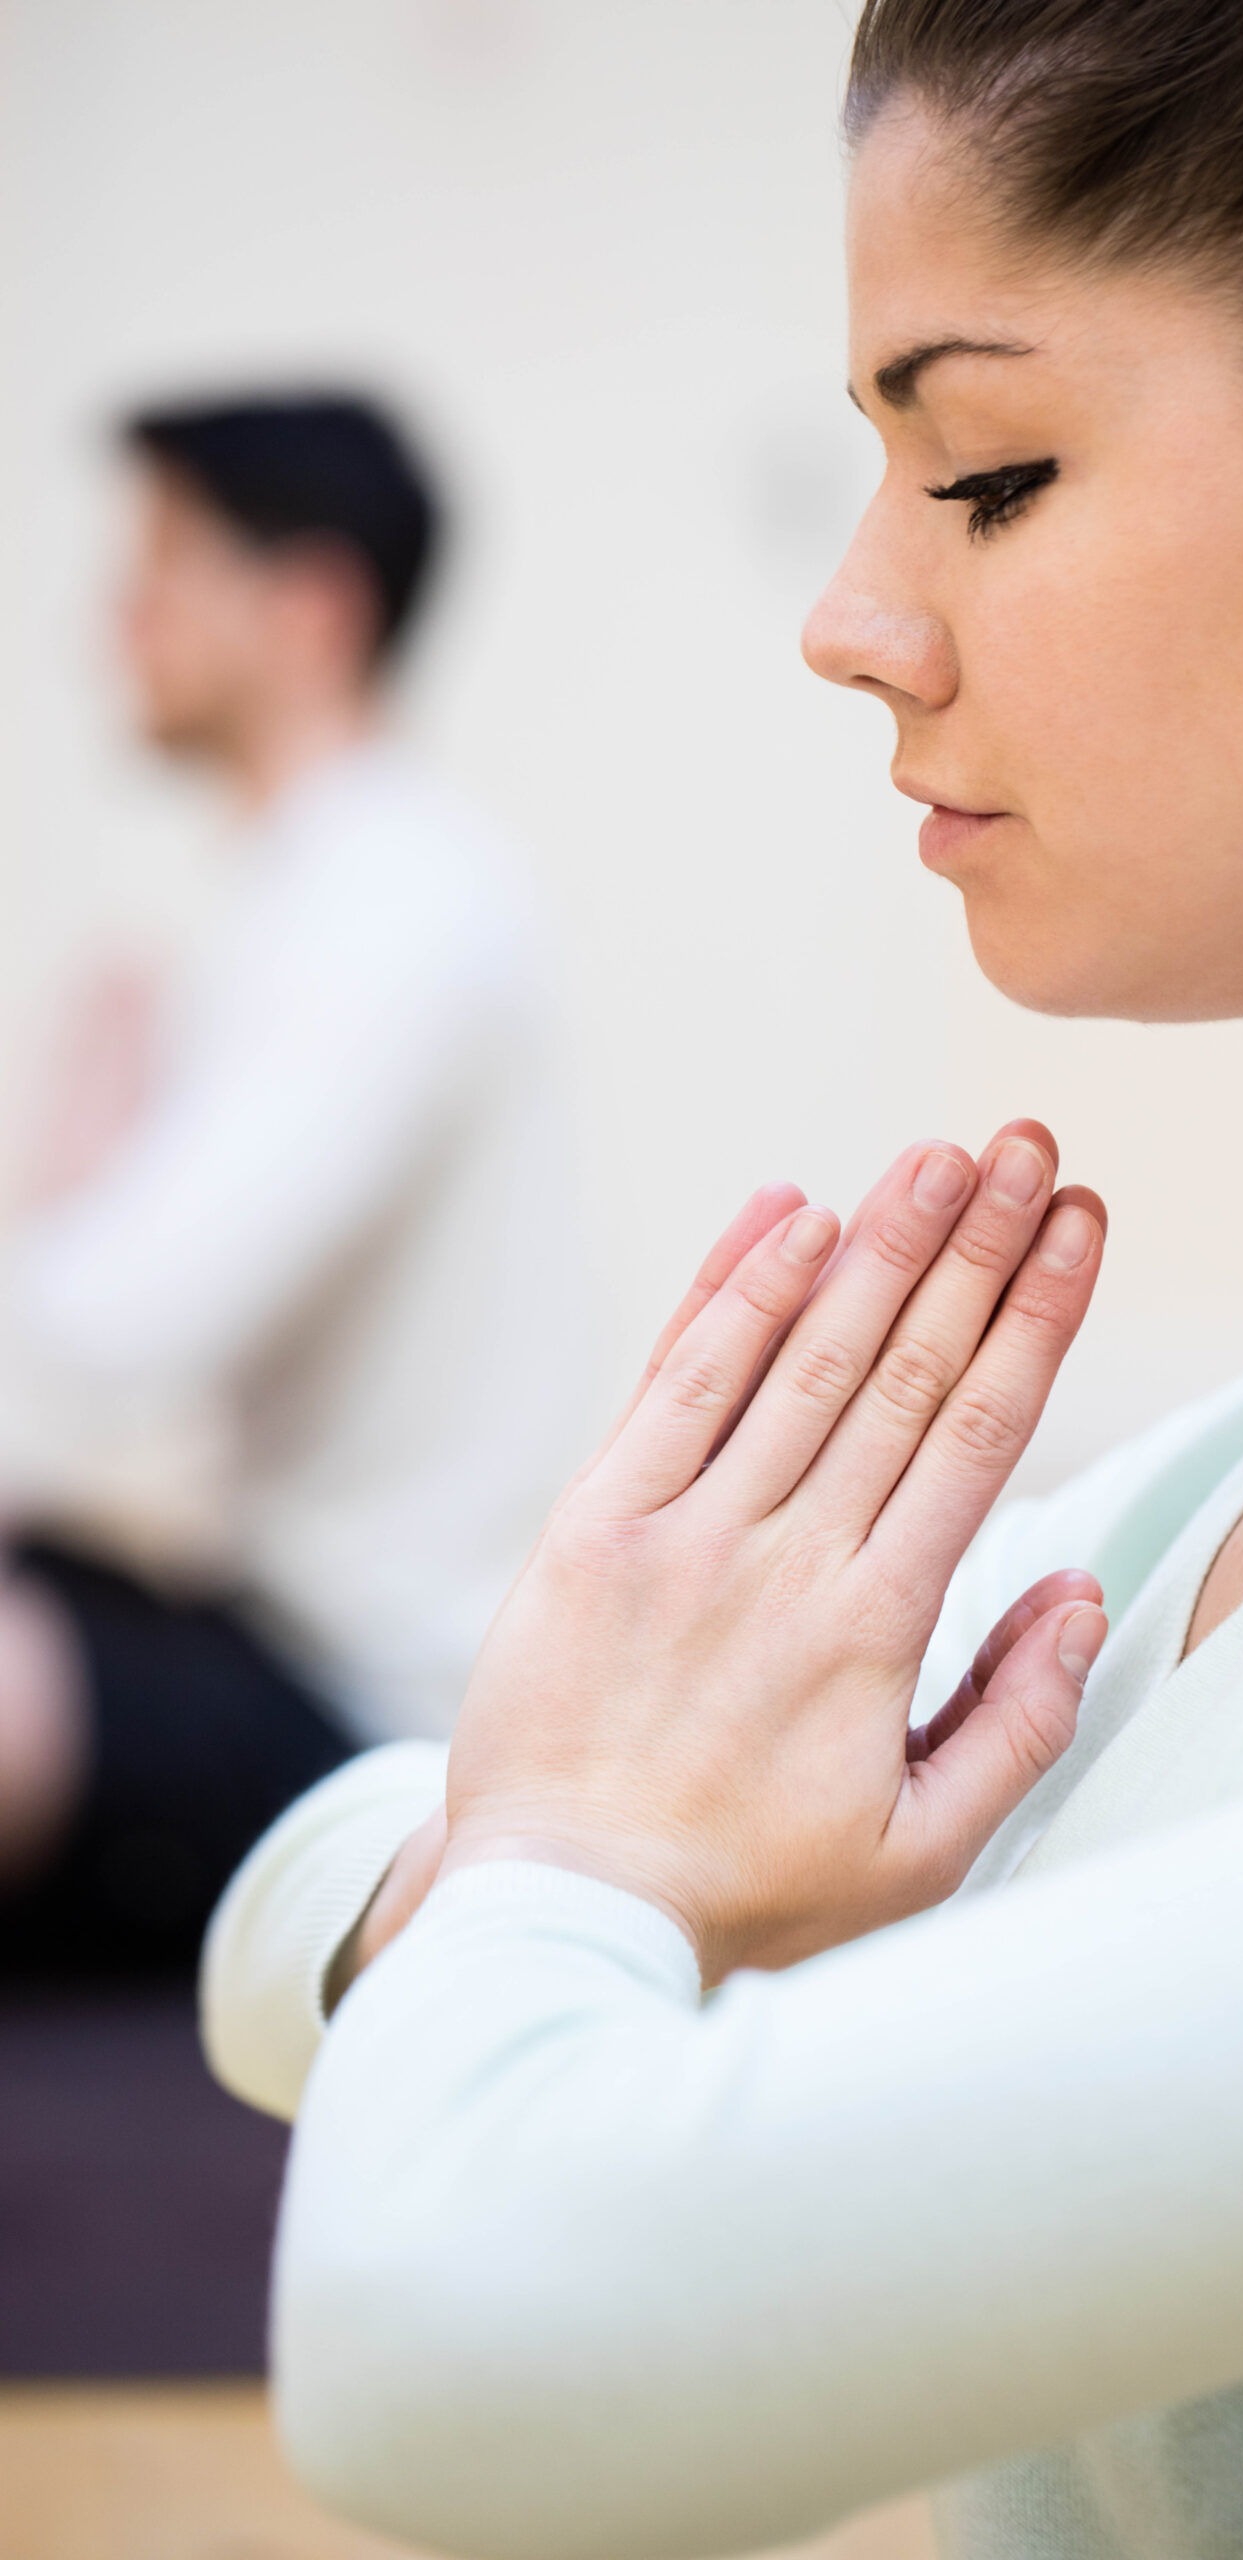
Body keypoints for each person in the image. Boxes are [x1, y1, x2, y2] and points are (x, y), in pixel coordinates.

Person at [203, 8, 1243, 2557]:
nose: (850, 614)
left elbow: (450, 2328)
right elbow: (295, 1919)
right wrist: (587, 1840)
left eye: (985, 468)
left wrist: (579, 1844)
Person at [0, 392, 582, 1973]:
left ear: (313, 609)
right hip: (256, 1618)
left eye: (168, 564)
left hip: (365, 1707)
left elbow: (119, 1333)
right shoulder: (321, 889)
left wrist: (71, 1171)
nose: (120, 615)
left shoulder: (397, 904)